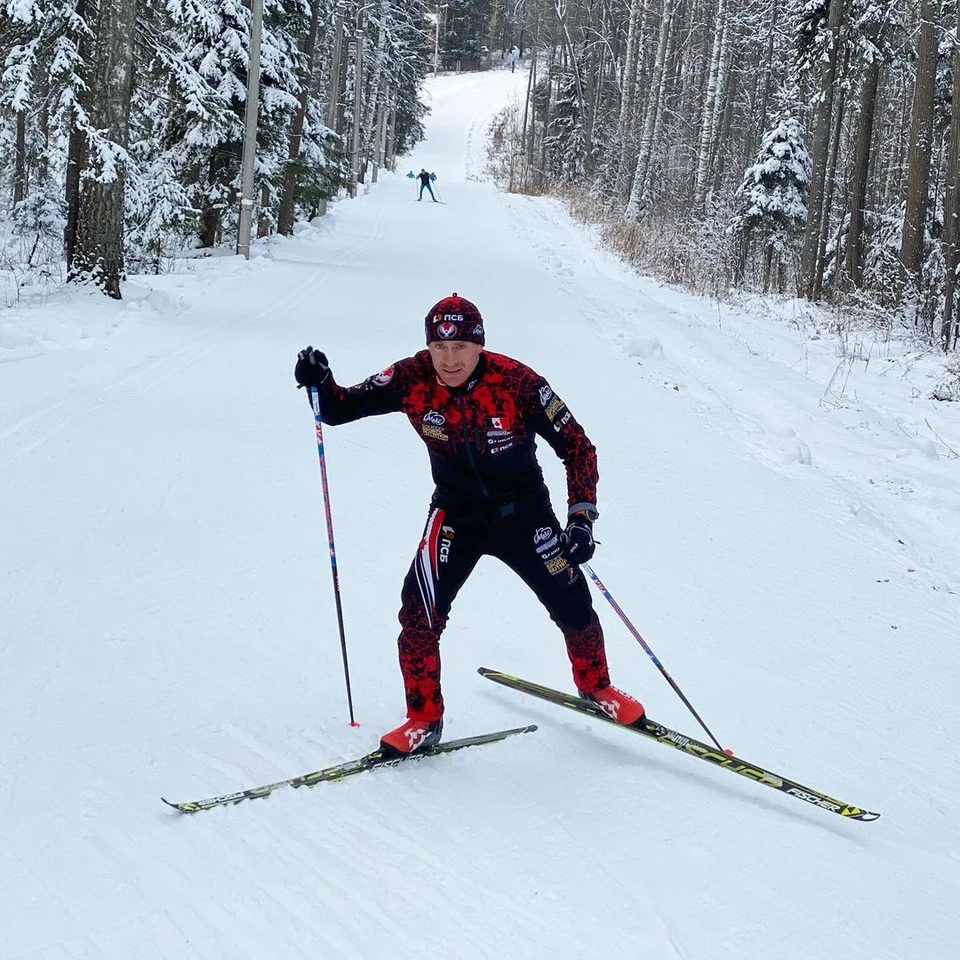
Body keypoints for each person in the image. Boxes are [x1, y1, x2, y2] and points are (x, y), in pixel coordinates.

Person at [294, 294, 645, 757]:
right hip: (456, 513)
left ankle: (596, 686)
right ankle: (423, 718)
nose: (450, 359)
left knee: (573, 603)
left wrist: (581, 517)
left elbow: (578, 446)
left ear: (480, 345)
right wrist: (320, 382)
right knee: (418, 610)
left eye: (461, 346)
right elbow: (338, 409)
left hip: (524, 513)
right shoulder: (410, 377)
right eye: (440, 348)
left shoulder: (518, 383)